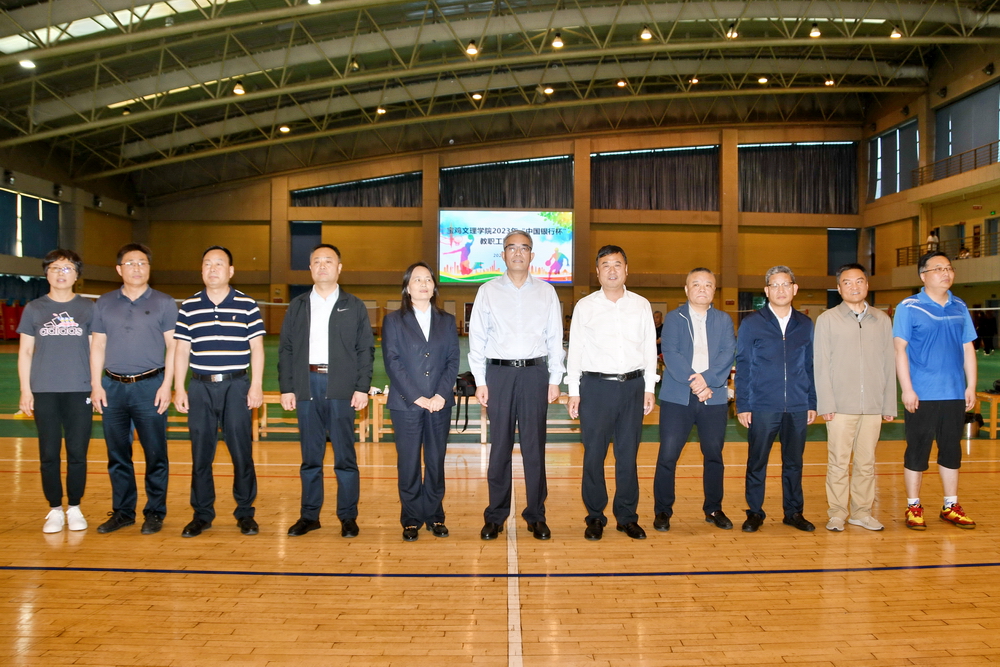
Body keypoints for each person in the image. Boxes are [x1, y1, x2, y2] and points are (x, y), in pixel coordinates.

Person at [468, 230, 564, 541]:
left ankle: (536, 515)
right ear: (503, 254)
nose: (518, 253)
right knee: (499, 448)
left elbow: (555, 338)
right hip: (499, 375)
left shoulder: (547, 292)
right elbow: (477, 338)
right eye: (512, 248)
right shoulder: (487, 291)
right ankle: (495, 515)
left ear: (532, 255)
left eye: (524, 248)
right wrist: (480, 381)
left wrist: (554, 379)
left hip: (535, 375)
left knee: (534, 448)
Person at [278, 244, 374, 538]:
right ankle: (309, 516)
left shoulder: (354, 305)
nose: (322, 266)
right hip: (306, 386)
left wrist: (361, 387)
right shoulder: (297, 306)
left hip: (341, 388)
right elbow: (286, 349)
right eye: (316, 261)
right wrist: (287, 388)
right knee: (310, 458)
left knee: (345, 458)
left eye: (328, 261)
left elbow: (365, 350)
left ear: (339, 268)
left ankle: (348, 517)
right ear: (310, 268)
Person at [566, 246, 657, 541]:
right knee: (594, 455)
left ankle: (627, 517)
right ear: (597, 272)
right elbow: (575, 350)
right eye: (605, 265)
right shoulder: (585, 306)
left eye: (617, 264)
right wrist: (573, 391)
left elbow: (649, 348)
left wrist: (649, 387)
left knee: (627, 455)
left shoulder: (641, 305)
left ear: (626, 269)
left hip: (633, 387)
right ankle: (595, 516)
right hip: (596, 388)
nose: (612, 270)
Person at [173, 246, 265, 538]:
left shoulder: (247, 304)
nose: (212, 269)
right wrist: (179, 388)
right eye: (207, 264)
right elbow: (181, 350)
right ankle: (202, 514)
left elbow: (257, 348)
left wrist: (256, 385)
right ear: (201, 270)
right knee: (201, 454)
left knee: (241, 453)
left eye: (219, 264)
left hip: (236, 387)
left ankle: (245, 513)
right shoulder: (189, 306)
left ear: (231, 271)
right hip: (200, 387)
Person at [90, 243, 178, 535]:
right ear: (119, 269)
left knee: (155, 454)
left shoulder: (165, 303)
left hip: (150, 387)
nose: (137, 268)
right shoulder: (104, 303)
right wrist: (96, 385)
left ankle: (155, 512)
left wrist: (167, 385)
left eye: (142, 263)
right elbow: (97, 345)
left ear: (149, 268)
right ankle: (123, 512)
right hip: (112, 388)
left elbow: (173, 346)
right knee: (117, 455)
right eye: (130, 263)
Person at [893, 251, 977, 530]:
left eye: (949, 268)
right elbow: (900, 349)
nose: (946, 273)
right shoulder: (909, 306)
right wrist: (907, 389)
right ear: (923, 275)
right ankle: (913, 506)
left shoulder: (959, 306)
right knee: (917, 451)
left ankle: (950, 506)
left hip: (954, 393)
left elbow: (967, 347)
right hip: (922, 394)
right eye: (938, 268)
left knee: (951, 451)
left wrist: (971, 385)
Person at [813, 264, 896, 532]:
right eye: (847, 282)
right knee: (838, 463)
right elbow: (821, 364)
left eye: (859, 281)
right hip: (840, 407)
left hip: (872, 406)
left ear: (867, 285)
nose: (854, 286)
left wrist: (888, 404)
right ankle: (837, 513)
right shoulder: (827, 319)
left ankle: (861, 512)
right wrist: (826, 403)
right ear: (839, 288)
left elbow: (889, 363)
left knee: (866, 463)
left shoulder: (882, 320)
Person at [735, 265, 817, 533]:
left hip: (797, 405)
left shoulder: (805, 324)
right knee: (757, 462)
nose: (781, 290)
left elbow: (810, 365)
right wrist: (743, 404)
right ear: (766, 291)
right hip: (762, 405)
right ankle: (754, 512)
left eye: (786, 284)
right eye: (775, 285)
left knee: (794, 463)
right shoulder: (751, 323)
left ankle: (793, 512)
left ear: (795, 289)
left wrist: (811, 401)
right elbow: (743, 365)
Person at [381, 262, 460, 541]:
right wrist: (417, 397)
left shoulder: (447, 321)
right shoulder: (393, 321)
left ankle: (435, 515)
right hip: (406, 405)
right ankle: (411, 518)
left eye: (428, 279)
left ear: (434, 287)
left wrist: (440, 395)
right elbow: (392, 362)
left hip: (439, 404)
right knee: (409, 463)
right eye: (417, 279)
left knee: (436, 462)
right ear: (407, 287)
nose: (423, 284)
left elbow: (452, 360)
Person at [653, 268, 736, 532]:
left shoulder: (723, 320)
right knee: (668, 455)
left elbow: (727, 353)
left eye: (708, 285)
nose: (702, 288)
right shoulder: (674, 318)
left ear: (714, 290)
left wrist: (707, 380)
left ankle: (714, 508)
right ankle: (663, 510)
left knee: (714, 455)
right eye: (696, 284)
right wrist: (697, 383)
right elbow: (671, 353)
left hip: (714, 397)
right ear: (686, 289)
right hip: (678, 398)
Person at [17, 249, 94, 533]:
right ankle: (54, 510)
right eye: (55, 268)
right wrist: (26, 390)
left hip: (79, 390)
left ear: (77, 275)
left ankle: (74, 507)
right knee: (48, 453)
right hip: (44, 390)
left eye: (67, 268)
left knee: (77, 452)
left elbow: (97, 350)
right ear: (46, 273)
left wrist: (96, 386)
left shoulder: (88, 308)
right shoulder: (34, 308)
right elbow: (25, 352)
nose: (61, 273)